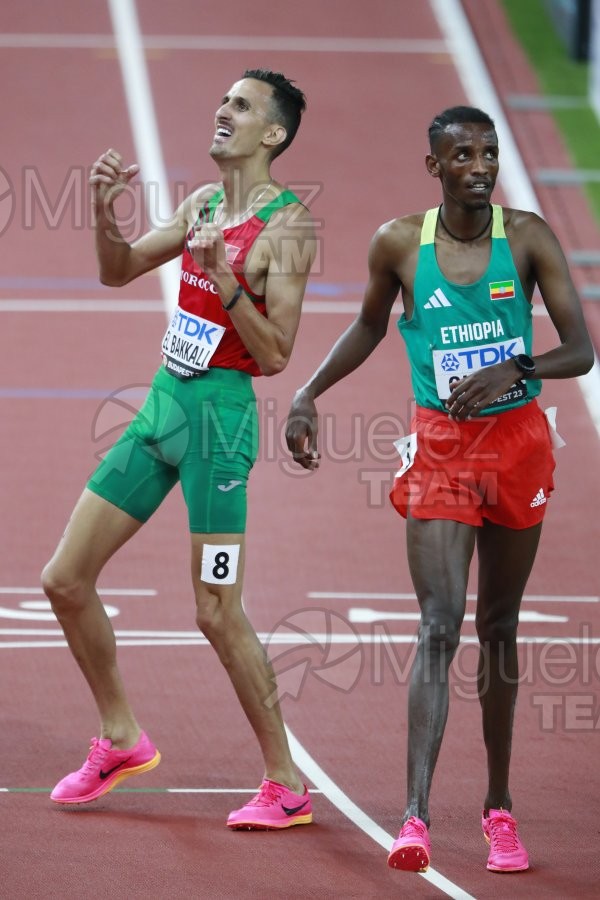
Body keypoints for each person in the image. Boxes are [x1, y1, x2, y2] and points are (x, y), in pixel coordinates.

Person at [286, 106, 593, 872]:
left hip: (519, 446)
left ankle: (499, 809)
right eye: (464, 155)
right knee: (437, 625)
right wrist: (307, 393)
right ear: (436, 168)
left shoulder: (525, 238)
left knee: (499, 629)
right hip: (443, 451)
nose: (481, 166)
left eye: (489, 152)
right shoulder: (398, 242)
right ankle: (415, 818)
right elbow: (368, 326)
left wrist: (516, 368)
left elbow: (581, 351)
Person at [42, 68, 316, 831]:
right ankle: (121, 736)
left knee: (215, 611)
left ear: (274, 134)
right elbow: (118, 268)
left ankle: (286, 783)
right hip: (163, 408)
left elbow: (277, 355)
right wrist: (105, 212)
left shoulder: (289, 228)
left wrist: (227, 277)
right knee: (64, 579)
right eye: (222, 99)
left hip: (220, 427)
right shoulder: (201, 202)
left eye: (240, 105)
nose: (221, 110)